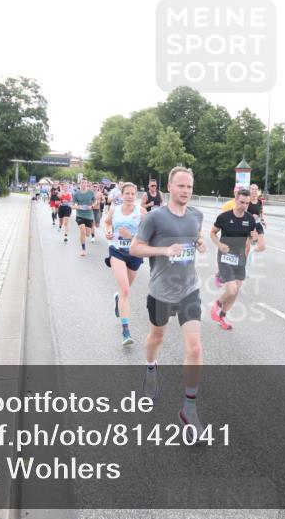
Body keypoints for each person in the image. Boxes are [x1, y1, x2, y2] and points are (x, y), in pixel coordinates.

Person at [130, 166, 206, 433]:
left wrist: (198, 243)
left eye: (189, 186)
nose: (186, 191)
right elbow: (135, 247)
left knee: (195, 347)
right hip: (161, 291)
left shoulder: (197, 215)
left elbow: (193, 237)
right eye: (181, 186)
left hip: (189, 289)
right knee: (156, 339)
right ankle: (151, 370)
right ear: (170, 188)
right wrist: (164, 249)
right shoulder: (154, 218)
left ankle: (189, 409)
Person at [209, 188, 260, 331]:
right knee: (231, 290)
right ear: (236, 200)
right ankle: (217, 305)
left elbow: (251, 239)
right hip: (225, 256)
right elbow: (212, 233)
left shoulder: (250, 219)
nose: (244, 205)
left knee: (236, 290)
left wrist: (254, 239)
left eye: (247, 203)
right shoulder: (224, 217)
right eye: (242, 202)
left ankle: (222, 317)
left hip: (240, 257)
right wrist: (219, 244)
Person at [103, 182, 146, 346]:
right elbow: (107, 222)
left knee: (124, 292)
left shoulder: (142, 213)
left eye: (132, 194)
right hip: (117, 251)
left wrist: (130, 236)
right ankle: (126, 331)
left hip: (134, 253)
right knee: (125, 290)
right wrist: (107, 231)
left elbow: (147, 236)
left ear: (136, 196)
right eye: (127, 193)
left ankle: (118, 299)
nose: (129, 196)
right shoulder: (114, 210)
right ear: (121, 195)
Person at [72, 178, 96, 257]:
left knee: (88, 234)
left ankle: (82, 238)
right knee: (82, 231)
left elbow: (95, 201)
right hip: (80, 215)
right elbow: (73, 204)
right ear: (80, 184)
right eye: (82, 183)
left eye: (85, 183)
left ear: (87, 184)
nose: (83, 184)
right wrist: (76, 206)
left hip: (89, 215)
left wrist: (92, 206)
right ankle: (83, 249)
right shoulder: (76, 194)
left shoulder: (91, 193)